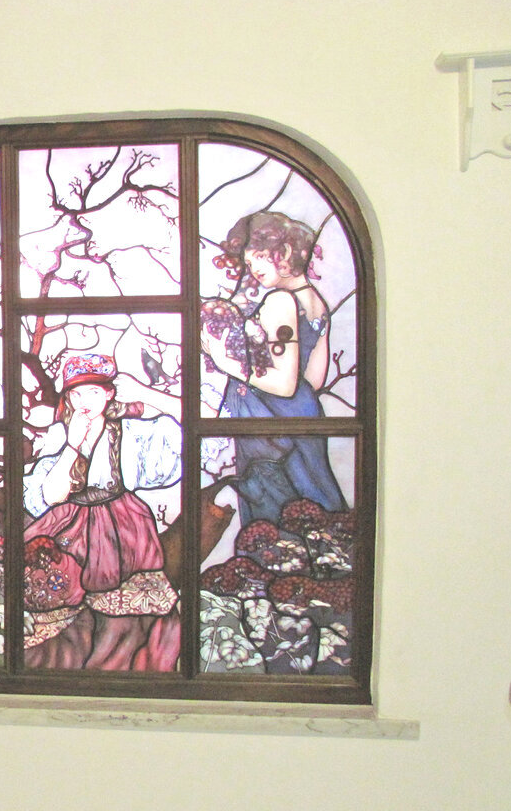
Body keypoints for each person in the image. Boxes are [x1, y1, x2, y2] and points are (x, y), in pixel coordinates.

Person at [22, 352, 180, 672]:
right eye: (76, 393)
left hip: (124, 527)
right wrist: (73, 446)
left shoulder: (130, 432)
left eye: (94, 392)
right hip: (68, 524)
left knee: (130, 616)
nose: (84, 401)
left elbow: (194, 423)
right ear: (68, 397)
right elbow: (50, 497)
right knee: (60, 609)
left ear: (109, 394)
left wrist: (147, 394)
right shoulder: (61, 434)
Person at [202, 211, 346, 525]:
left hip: (269, 427)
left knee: (273, 521)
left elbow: (284, 384)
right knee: (312, 508)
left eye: (259, 257)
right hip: (304, 419)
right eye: (249, 261)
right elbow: (313, 381)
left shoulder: (279, 301)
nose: (253, 268)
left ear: (285, 251)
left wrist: (227, 363)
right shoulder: (317, 303)